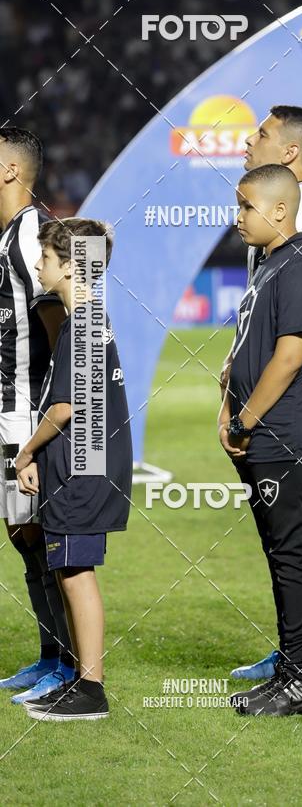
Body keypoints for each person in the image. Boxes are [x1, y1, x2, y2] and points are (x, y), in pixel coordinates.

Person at [222, 105, 302, 693]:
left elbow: (292, 342)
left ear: (290, 154)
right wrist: (230, 392)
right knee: (288, 538)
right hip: (270, 406)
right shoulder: (272, 243)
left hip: (294, 406)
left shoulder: (301, 224)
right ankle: (297, 656)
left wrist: (244, 417)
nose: (249, 141)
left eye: (263, 134)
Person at [15, 217, 133, 721]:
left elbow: (64, 408)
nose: (38, 264)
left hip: (82, 472)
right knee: (68, 570)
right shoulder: (84, 319)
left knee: (76, 573)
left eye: (45, 257)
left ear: (69, 266)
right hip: (80, 466)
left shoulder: (81, 324)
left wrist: (26, 453)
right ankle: (79, 681)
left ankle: (90, 689)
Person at [0, 128, 73, 704]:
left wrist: (53, 411)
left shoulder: (32, 235)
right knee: (22, 535)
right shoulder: (7, 236)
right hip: (7, 411)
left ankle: (69, 665)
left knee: (40, 535)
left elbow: (61, 320)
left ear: (9, 171)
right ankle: (50, 655)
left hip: (26, 413)